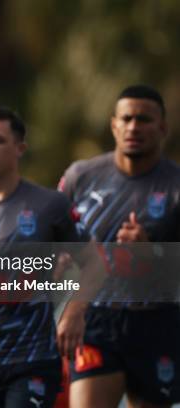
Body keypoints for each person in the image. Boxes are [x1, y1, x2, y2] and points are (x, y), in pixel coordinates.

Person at [0, 106, 90, 408]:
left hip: (33, 360)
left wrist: (75, 311)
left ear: (20, 148)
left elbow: (96, 263)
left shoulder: (49, 205)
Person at [59, 85, 180, 407]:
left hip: (159, 322)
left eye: (144, 119)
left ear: (163, 128)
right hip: (98, 319)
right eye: (126, 119)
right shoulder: (80, 177)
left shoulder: (175, 185)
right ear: (114, 124)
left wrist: (153, 251)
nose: (133, 127)